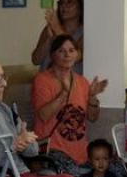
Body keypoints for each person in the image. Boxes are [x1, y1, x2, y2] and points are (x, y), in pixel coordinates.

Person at [31, 34, 107, 169]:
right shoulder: (42, 80)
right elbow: (43, 115)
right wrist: (63, 94)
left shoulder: (82, 81)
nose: (67, 55)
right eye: (61, 51)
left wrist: (92, 97)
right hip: (53, 152)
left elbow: (92, 117)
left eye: (71, 50)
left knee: (116, 170)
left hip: (80, 152)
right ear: (53, 55)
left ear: (77, 54)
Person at [31, 0, 84, 72]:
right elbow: (35, 60)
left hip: (69, 83)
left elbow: (76, 57)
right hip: (45, 82)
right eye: (61, 3)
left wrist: (57, 27)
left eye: (69, 2)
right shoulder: (50, 28)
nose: (63, 6)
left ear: (80, 6)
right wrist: (49, 39)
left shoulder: (84, 33)